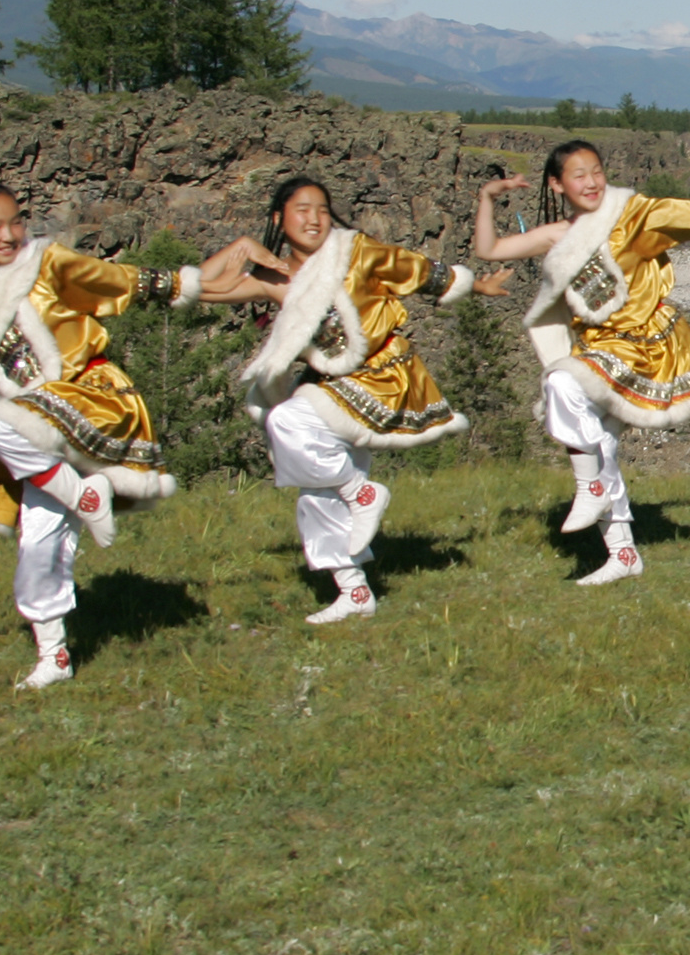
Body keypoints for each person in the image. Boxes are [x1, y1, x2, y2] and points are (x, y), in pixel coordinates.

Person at [0, 181, 233, 689]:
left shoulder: (47, 265)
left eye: (15, 222)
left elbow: (115, 280)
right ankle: (54, 656)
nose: (8, 235)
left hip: (93, 400)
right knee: (38, 541)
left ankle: (84, 494)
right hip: (41, 431)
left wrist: (196, 282)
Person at [202, 177, 508, 623]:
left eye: (322, 209)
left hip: (381, 378)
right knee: (317, 493)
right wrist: (241, 248)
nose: (314, 218)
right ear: (278, 218)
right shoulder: (274, 278)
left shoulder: (356, 251)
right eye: (302, 209)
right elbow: (197, 288)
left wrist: (478, 286)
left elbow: (416, 269)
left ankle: (360, 492)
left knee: (288, 421)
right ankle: (354, 592)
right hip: (331, 384)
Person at [472, 141, 690, 586]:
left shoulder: (630, 219)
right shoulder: (557, 235)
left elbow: (682, 217)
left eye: (597, 170)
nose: (592, 181)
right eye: (578, 174)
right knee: (598, 448)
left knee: (561, 384)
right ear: (556, 185)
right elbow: (488, 249)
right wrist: (486, 198)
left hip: (644, 347)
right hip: (600, 352)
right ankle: (623, 553)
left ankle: (591, 490)